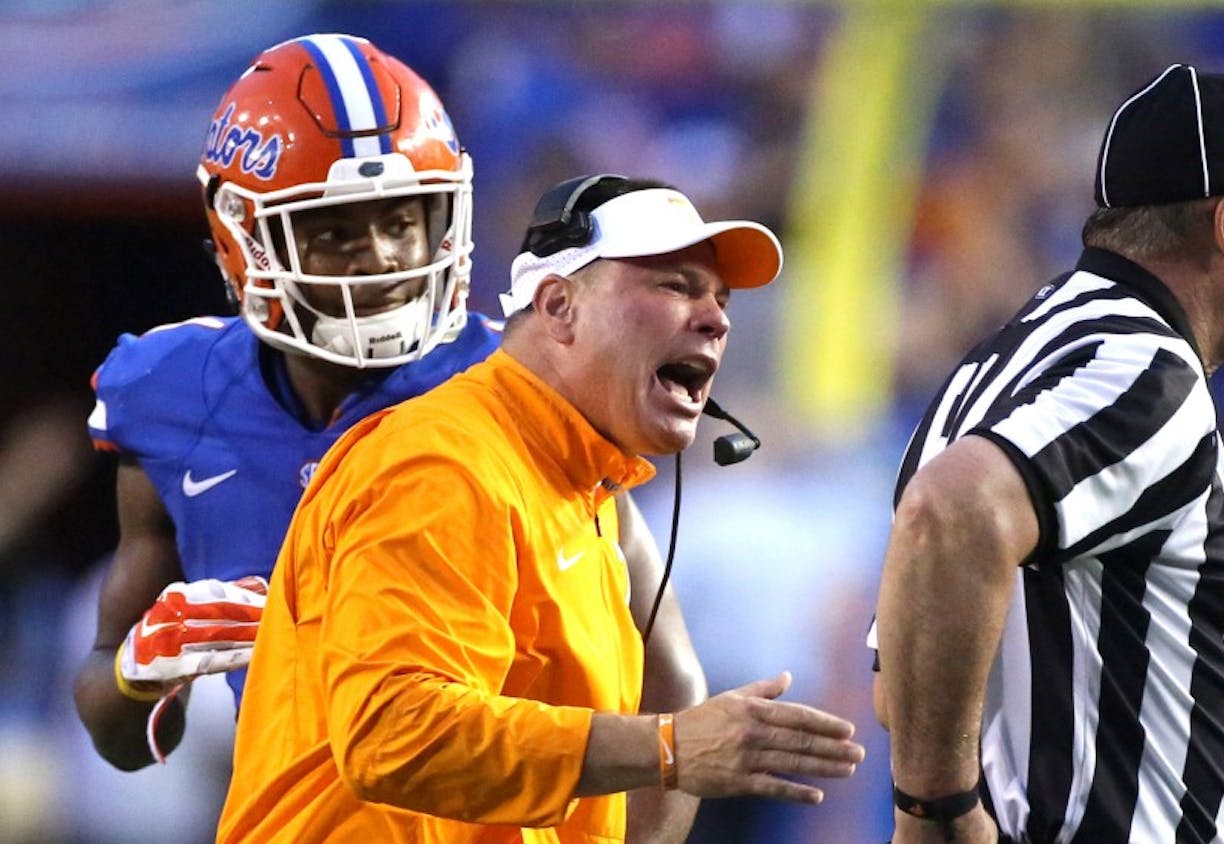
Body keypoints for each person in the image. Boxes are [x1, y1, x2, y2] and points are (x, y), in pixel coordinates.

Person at [72, 34, 706, 840]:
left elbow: (667, 675)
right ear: (245, 238)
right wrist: (136, 675)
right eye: (336, 230)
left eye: (403, 222)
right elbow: (119, 740)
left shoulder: (526, 387)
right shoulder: (170, 396)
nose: (380, 261)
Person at [215, 173, 866, 843]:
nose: (717, 318)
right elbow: (393, 734)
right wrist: (667, 749)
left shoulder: (583, 494)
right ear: (558, 306)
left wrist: (670, 748)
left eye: (721, 299)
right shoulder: (444, 463)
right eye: (675, 286)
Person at [870, 63, 1224, 844]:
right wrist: (935, 810)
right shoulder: (1143, 367)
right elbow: (954, 509)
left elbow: (900, 682)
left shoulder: (992, 368)